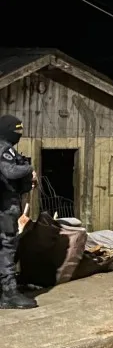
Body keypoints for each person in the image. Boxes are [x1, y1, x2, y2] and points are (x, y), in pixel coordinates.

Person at [0, 115, 38, 309]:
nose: (19, 135)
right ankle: (9, 294)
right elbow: (9, 172)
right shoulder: (4, 148)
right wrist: (29, 167)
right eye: (17, 131)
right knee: (7, 247)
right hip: (4, 209)